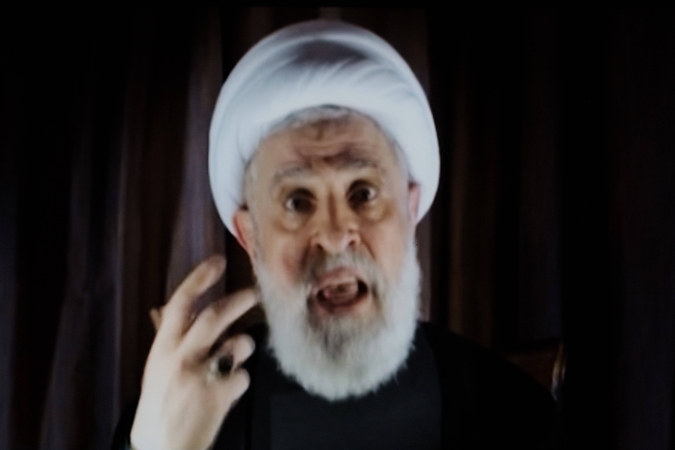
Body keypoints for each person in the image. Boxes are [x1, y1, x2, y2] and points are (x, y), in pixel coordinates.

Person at [112, 20, 557, 450]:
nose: (335, 236)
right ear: (251, 238)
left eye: (363, 193)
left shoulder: (515, 413)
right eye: (297, 202)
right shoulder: (173, 418)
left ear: (410, 211)